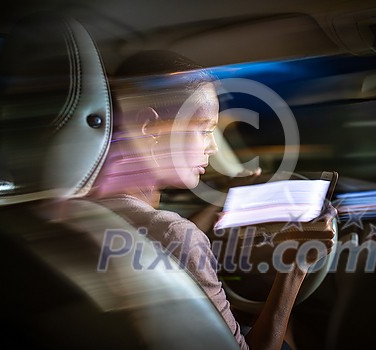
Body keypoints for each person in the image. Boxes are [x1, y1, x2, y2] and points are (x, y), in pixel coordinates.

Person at [90, 50, 336, 350]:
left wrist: (219, 202)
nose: (212, 148)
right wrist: (294, 266)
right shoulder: (178, 237)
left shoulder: (88, 210)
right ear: (149, 127)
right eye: (205, 130)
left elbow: (166, 237)